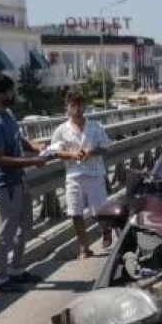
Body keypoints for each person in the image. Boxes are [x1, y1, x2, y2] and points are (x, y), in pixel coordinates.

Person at [0, 72, 49, 293]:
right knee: (6, 231)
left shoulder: (7, 114)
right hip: (5, 184)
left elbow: (18, 139)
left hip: (19, 179)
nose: (13, 93)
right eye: (9, 90)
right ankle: (1, 278)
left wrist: (34, 147)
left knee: (26, 225)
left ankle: (17, 270)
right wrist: (31, 162)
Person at [49, 90, 114, 258]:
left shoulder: (95, 127)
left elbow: (106, 146)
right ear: (67, 107)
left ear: (84, 106)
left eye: (80, 104)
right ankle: (84, 248)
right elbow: (55, 152)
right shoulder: (61, 130)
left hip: (94, 174)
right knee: (76, 213)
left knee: (100, 212)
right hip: (74, 176)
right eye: (73, 105)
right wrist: (71, 155)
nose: (77, 108)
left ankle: (106, 230)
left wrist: (90, 153)